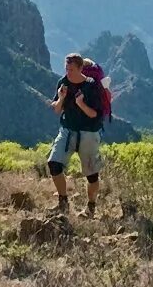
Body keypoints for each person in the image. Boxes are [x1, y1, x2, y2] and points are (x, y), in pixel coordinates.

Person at [48, 53, 104, 218]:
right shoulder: (63, 83)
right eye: (66, 68)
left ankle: (91, 207)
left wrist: (81, 104)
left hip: (88, 133)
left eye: (71, 69)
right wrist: (61, 98)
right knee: (54, 164)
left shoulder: (91, 86)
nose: (68, 72)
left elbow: (95, 114)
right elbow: (57, 110)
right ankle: (63, 202)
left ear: (81, 69)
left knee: (92, 175)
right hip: (67, 130)